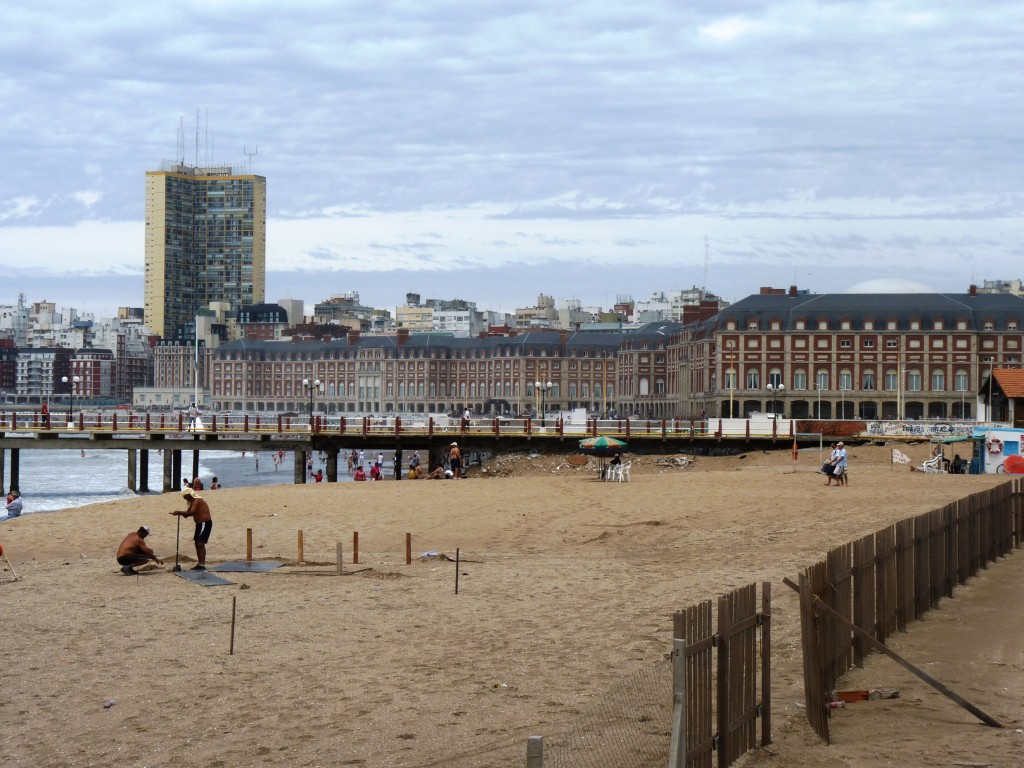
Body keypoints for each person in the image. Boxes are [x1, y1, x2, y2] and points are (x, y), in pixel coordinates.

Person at [170, 488, 212, 570]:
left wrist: (178, 512)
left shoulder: (197, 501)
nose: (184, 498)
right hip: (199, 524)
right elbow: (187, 514)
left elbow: (192, 512)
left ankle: (202, 565)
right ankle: (200, 564)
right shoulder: (191, 502)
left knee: (200, 543)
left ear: (189, 495)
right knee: (197, 543)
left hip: (205, 523)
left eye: (185, 496)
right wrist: (179, 514)